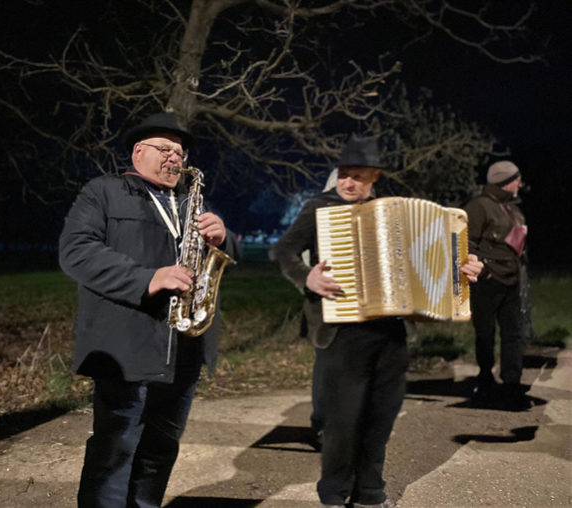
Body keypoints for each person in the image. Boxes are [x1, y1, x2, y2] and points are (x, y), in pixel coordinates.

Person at [274, 134, 483, 508]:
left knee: (381, 416)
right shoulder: (320, 208)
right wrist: (307, 276)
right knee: (341, 423)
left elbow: (435, 253)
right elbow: (285, 249)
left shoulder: (392, 212)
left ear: (374, 178)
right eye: (344, 174)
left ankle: (370, 492)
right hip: (339, 331)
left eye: (358, 176)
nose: (348, 183)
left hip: (389, 331)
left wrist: (464, 265)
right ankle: (333, 494)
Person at [59, 111, 239, 508]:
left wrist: (224, 238)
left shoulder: (191, 201)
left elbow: (223, 254)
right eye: (165, 149)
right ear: (139, 151)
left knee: (161, 449)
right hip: (127, 345)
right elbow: (76, 252)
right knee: (115, 448)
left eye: (180, 152)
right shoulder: (103, 191)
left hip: (185, 345)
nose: (176, 158)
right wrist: (147, 279)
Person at [464, 160, 531, 411]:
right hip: (488, 281)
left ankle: (512, 384)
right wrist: (483, 274)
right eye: (516, 179)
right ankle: (485, 380)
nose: (520, 183)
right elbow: (466, 241)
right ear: (504, 181)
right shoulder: (479, 206)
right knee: (485, 333)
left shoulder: (511, 207)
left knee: (513, 334)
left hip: (511, 280)